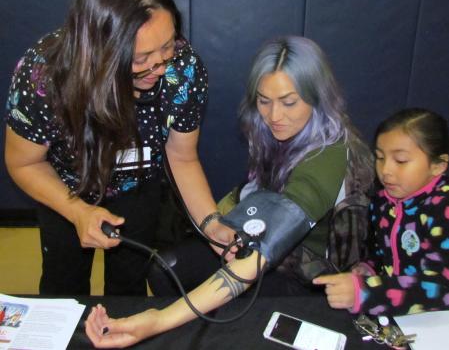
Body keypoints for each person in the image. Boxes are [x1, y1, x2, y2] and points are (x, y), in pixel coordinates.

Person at [85, 35, 374, 347]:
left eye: (289, 102)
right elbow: (256, 194)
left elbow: (260, 255)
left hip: (309, 274)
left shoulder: (329, 156)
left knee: (231, 311)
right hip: (267, 244)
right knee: (166, 269)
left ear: (317, 96)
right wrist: (222, 224)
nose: (275, 116)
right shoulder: (274, 131)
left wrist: (160, 319)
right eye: (264, 101)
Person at [4, 0, 233, 296]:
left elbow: (182, 159)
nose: (160, 66)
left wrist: (211, 224)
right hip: (65, 187)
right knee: (63, 284)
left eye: (168, 46)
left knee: (129, 283)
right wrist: (77, 211)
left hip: (138, 185)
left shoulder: (183, 69)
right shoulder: (43, 76)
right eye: (141, 59)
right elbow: (23, 162)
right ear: (99, 53)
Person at [315, 108, 449, 315]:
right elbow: (380, 252)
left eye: (400, 160)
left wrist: (365, 292)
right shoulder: (383, 202)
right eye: (380, 157)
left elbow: (444, 288)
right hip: (400, 309)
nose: (386, 170)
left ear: (438, 165)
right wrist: (369, 268)